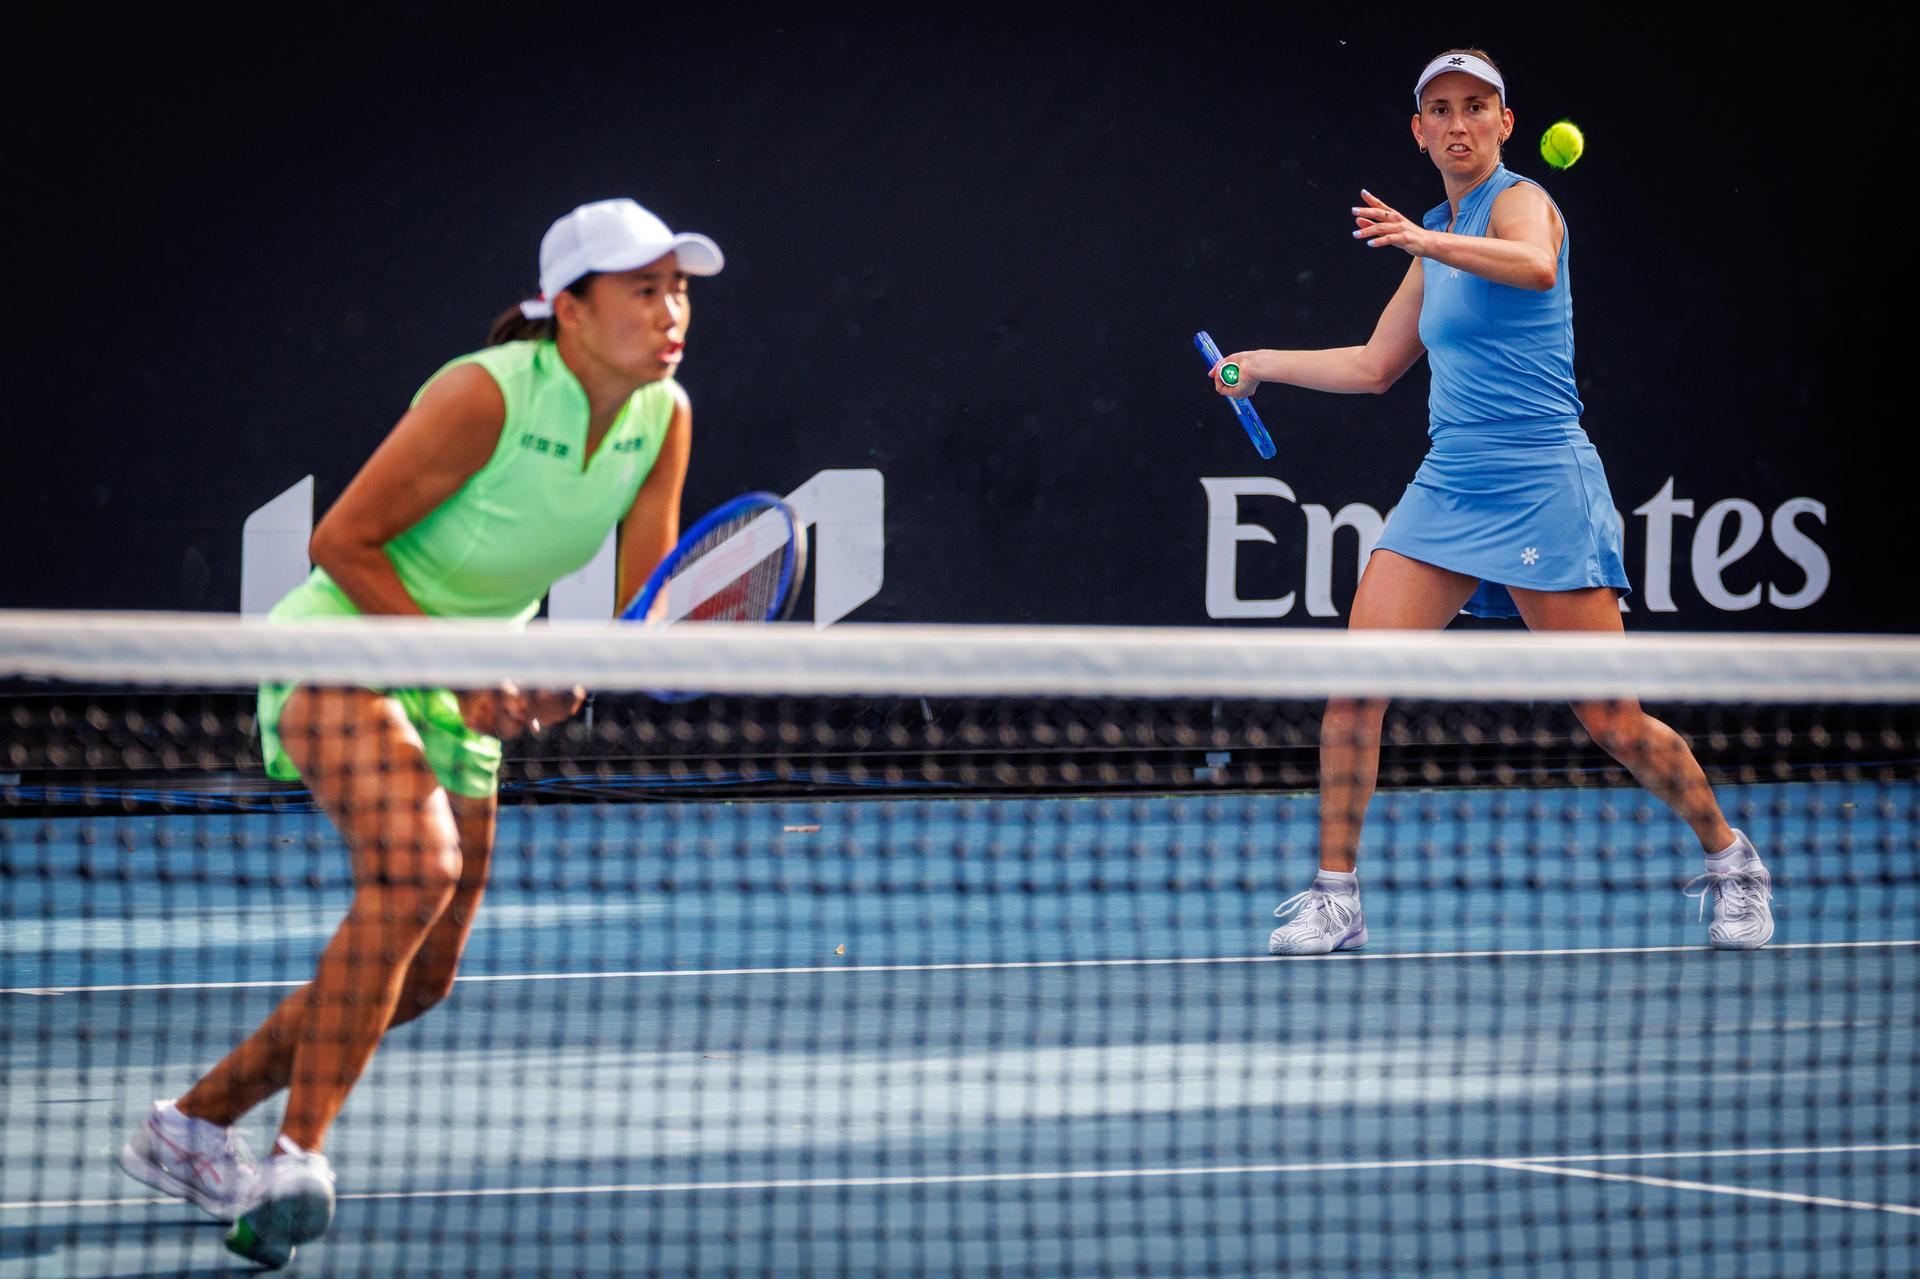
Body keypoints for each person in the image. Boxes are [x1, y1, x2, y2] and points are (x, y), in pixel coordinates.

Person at [116, 198, 722, 1267]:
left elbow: (646, 600)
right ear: (567, 310)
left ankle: (191, 1127)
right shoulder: (480, 396)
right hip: (344, 644)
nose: (672, 310)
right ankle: (297, 1158)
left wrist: (571, 672)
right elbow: (341, 539)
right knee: (416, 868)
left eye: (679, 288)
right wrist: (457, 662)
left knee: (427, 969)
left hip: (464, 681)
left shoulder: (663, 416)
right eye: (644, 288)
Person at [1209, 49, 1774, 958]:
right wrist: (1261, 365)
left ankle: (1732, 859)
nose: (1460, 122)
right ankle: (1336, 895)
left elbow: (1534, 266)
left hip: (1543, 479)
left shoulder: (1519, 203)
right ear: (1420, 130)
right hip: (1451, 480)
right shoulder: (1432, 232)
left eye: (1477, 106)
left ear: (1505, 123)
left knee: (1611, 719)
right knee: (1355, 693)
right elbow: (1375, 365)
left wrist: (1426, 242)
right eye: (1442, 109)